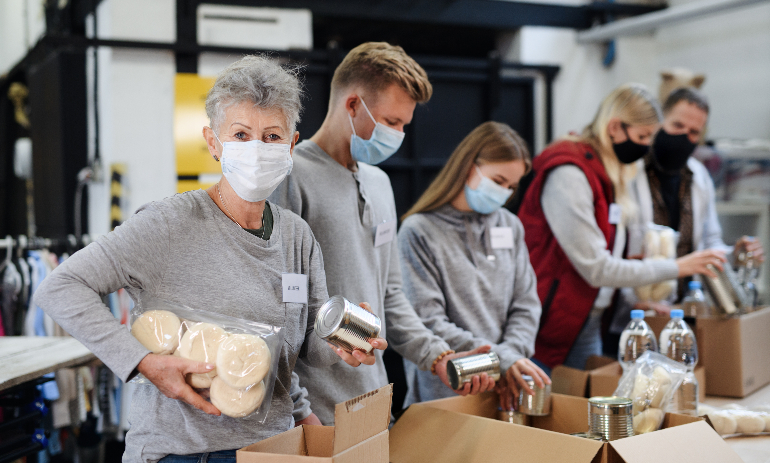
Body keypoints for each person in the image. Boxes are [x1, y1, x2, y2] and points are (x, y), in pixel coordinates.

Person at [34, 55, 385, 463]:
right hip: (182, 454)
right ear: (213, 142)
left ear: (292, 144)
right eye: (240, 134)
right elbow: (59, 287)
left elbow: (308, 348)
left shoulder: (296, 235)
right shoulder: (168, 223)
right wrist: (144, 362)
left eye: (272, 136)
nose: (257, 149)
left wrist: (342, 342)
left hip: (270, 449)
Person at [269, 42, 494, 425]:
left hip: (372, 400)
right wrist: (298, 409)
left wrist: (437, 356)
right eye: (391, 122)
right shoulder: (291, 177)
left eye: (404, 125)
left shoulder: (380, 184)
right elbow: (277, 307)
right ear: (353, 105)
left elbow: (390, 294)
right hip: (313, 412)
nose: (399, 135)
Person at [515, 83, 726, 375]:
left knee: (582, 408)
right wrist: (677, 267)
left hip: (587, 316)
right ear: (615, 127)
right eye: (642, 137)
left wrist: (640, 292)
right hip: (549, 319)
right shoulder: (571, 174)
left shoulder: (606, 172)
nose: (644, 148)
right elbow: (597, 267)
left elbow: (613, 254)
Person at [398, 121, 550, 411]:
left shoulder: (510, 225)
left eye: (511, 186)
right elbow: (427, 320)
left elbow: (526, 304)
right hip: (447, 391)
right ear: (469, 166)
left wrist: (510, 361)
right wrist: (501, 360)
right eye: (498, 180)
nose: (504, 192)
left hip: (506, 384)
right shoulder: (419, 231)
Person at [606, 87, 765, 340]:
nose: (683, 137)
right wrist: (633, 301)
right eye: (677, 125)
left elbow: (709, 244)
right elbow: (614, 252)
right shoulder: (629, 172)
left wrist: (735, 253)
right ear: (659, 122)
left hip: (683, 312)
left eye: (693, 132)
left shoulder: (698, 176)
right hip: (632, 316)